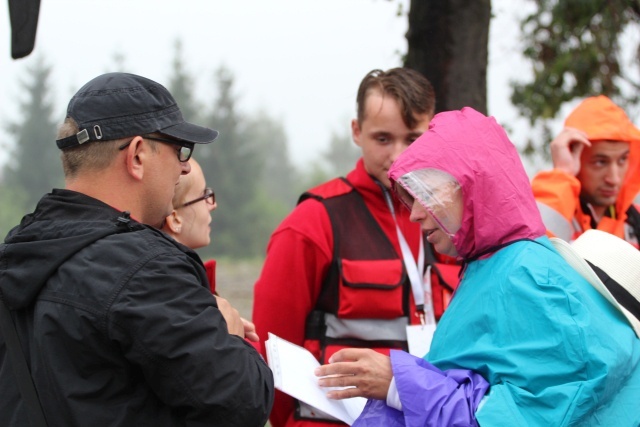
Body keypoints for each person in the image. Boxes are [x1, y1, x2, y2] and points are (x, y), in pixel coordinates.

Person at [314, 107, 640, 426]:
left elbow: (522, 416)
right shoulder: (495, 264)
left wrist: (398, 384)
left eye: (428, 192)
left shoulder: (528, 278)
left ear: (472, 185)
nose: (414, 213)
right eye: (411, 198)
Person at [0, 72, 274, 426]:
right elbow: (243, 402)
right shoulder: (147, 269)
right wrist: (229, 336)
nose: (185, 166)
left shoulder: (15, 253)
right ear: (138, 155)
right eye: (180, 150)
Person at [253, 67, 460, 427]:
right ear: (356, 131)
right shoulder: (312, 222)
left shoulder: (453, 221)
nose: (398, 156)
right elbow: (272, 351)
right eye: (383, 139)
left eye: (412, 139)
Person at [162, 157, 259, 342]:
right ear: (174, 219)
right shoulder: (179, 297)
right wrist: (228, 339)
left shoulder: (180, 286)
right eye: (203, 196)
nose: (213, 205)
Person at [531, 95, 640, 247]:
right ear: (574, 155)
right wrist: (563, 172)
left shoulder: (635, 221)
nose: (614, 178)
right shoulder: (560, 212)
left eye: (622, 160)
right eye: (600, 162)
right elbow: (530, 251)